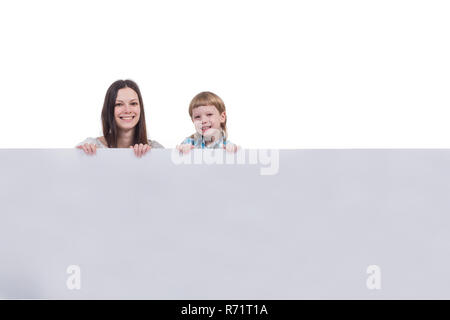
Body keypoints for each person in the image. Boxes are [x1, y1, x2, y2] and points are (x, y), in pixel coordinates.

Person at [77, 79, 163, 157]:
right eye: (119, 104)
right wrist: (79, 156)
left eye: (133, 103)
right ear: (109, 110)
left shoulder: (155, 149)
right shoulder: (91, 145)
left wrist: (176, 159)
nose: (127, 110)